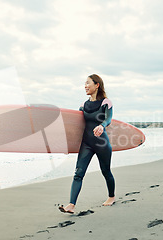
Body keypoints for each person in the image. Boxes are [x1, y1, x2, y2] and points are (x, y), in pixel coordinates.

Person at [59, 74, 115, 214]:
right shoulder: (83, 105)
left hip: (102, 143)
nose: (85, 86)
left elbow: (108, 119)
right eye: (84, 83)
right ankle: (71, 205)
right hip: (86, 143)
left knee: (106, 171)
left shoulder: (106, 103)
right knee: (78, 173)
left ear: (97, 85)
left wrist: (102, 126)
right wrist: (68, 144)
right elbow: (76, 127)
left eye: (88, 83)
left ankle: (111, 196)